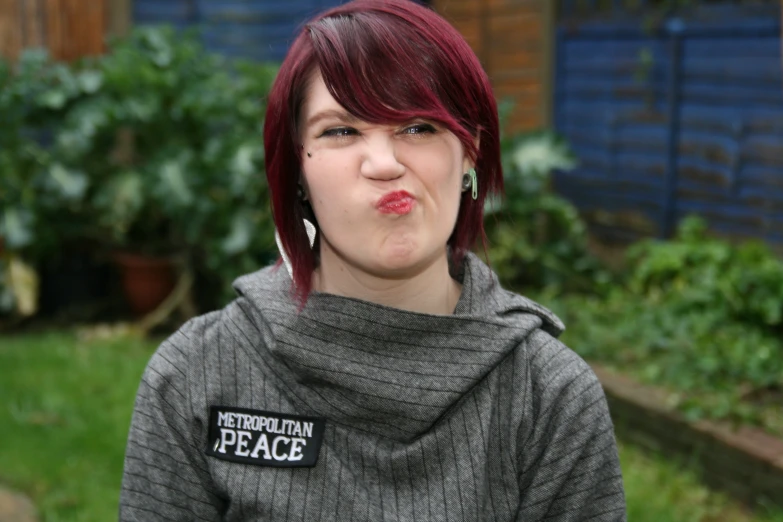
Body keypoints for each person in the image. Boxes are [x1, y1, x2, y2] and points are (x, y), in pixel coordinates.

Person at [119, 0, 627, 520]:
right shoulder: (194, 375)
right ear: (297, 167)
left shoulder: (551, 397)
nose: (384, 163)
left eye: (419, 127)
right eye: (340, 131)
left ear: (470, 150)